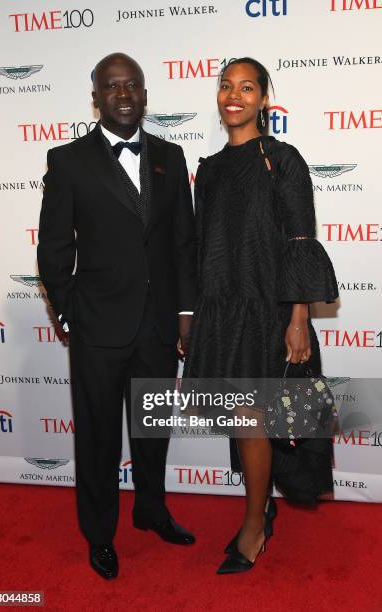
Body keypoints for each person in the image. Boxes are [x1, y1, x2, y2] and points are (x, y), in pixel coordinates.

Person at [37, 53, 197, 580]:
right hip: (98, 329)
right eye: (112, 86)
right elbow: (54, 250)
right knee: (99, 437)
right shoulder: (68, 161)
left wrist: (184, 313)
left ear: (145, 94)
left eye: (132, 85)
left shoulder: (170, 158)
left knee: (152, 430)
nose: (123, 94)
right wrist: (70, 314)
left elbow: (182, 244)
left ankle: (151, 509)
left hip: (156, 327)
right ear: (97, 97)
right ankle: (100, 534)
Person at [183, 57, 339, 575]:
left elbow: (299, 241)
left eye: (247, 87)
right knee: (240, 418)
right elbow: (203, 246)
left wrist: (298, 317)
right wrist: (194, 318)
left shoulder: (282, 160)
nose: (234, 95)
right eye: (226, 86)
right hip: (222, 310)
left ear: (264, 98)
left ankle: (253, 526)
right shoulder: (207, 168)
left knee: (256, 419)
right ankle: (261, 506)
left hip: (270, 311)